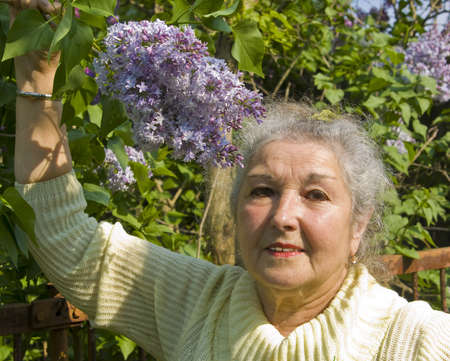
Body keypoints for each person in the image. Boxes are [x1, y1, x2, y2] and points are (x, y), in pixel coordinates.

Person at [9, 1, 450, 360]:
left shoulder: (416, 342)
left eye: (316, 194)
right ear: (236, 209)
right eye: (262, 190)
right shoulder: (198, 303)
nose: (283, 216)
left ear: (358, 225)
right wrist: (37, 75)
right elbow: (64, 238)